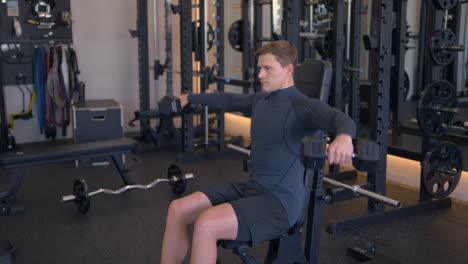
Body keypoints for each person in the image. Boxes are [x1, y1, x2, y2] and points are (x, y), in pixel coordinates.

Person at [160, 40, 356, 264]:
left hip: (280, 203)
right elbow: (229, 99)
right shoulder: (261, 100)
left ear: (288, 69)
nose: (260, 75)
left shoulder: (303, 106)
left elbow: (341, 119)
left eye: (268, 69)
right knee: (178, 209)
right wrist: (189, 98)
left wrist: (344, 137)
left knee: (206, 224)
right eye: (260, 68)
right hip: (253, 188)